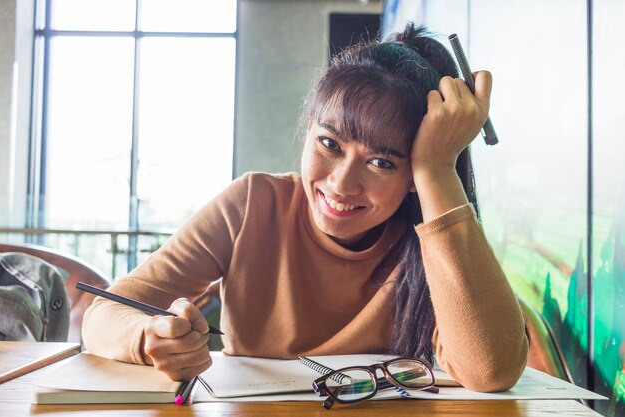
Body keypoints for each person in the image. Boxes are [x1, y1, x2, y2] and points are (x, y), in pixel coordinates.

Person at [82, 23, 528, 392]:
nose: (341, 183)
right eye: (329, 144)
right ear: (308, 128)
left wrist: (436, 168)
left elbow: (492, 370)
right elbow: (101, 314)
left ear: (412, 178)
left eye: (381, 162)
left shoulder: (431, 240)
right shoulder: (252, 204)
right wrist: (149, 337)